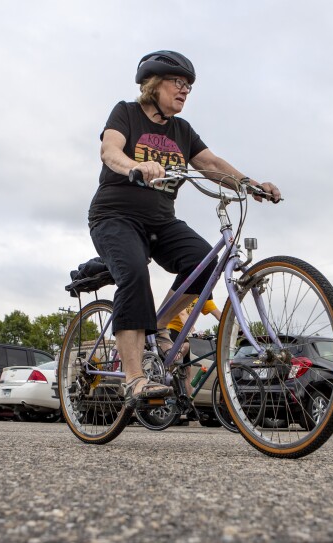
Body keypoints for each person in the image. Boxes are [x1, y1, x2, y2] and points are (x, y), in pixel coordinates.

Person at [88, 50, 281, 405]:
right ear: (153, 84)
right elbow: (109, 150)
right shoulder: (126, 113)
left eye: (189, 86)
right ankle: (134, 378)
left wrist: (249, 184)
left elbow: (209, 162)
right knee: (134, 275)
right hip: (114, 216)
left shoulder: (182, 130)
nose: (184, 90)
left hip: (161, 220)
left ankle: (158, 324)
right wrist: (135, 165)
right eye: (178, 82)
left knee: (204, 263)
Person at [166, 297, 222, 393]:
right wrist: (193, 331)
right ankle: (166, 373)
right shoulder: (187, 293)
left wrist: (236, 327)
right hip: (171, 329)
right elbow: (182, 313)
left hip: (184, 333)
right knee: (186, 346)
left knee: (187, 371)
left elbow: (219, 315)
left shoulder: (204, 298)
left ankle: (190, 404)